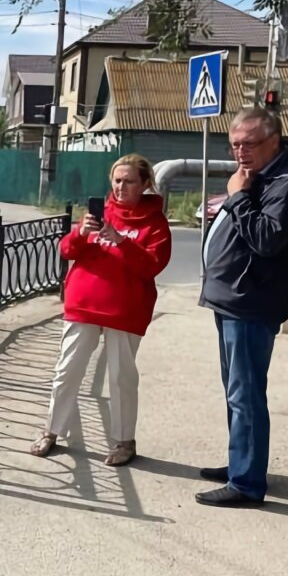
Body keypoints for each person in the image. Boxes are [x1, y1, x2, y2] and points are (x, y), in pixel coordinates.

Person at [196, 107, 288, 507]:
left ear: (274, 141)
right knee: (236, 392)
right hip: (232, 298)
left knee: (245, 394)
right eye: (234, 145)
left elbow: (267, 239)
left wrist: (237, 198)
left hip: (252, 301)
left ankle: (247, 483)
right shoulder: (259, 176)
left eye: (249, 143)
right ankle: (240, 464)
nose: (240, 152)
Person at [30, 154, 172, 466]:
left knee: (121, 377)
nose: (121, 187)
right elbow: (66, 250)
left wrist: (122, 242)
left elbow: (153, 265)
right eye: (117, 180)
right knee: (67, 370)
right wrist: (81, 233)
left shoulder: (154, 222)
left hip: (125, 310)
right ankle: (52, 430)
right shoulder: (100, 213)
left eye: (129, 181)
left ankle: (124, 441)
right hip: (83, 305)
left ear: (145, 184)